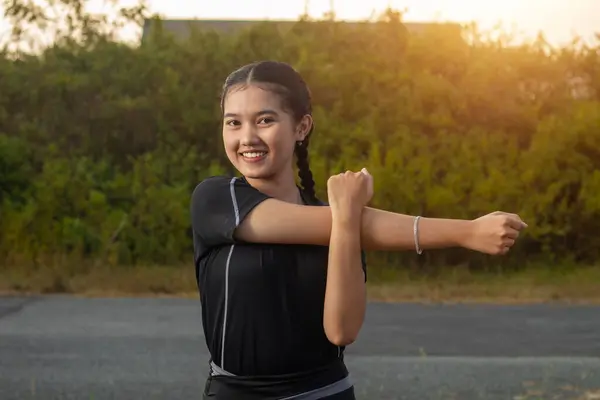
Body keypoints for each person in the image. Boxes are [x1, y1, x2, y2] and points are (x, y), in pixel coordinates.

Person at [190, 60, 527, 399]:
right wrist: (466, 232)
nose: (247, 137)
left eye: (265, 120)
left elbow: (341, 330)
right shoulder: (217, 200)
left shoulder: (343, 224)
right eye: (233, 123)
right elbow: (332, 224)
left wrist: (347, 219)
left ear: (301, 127)